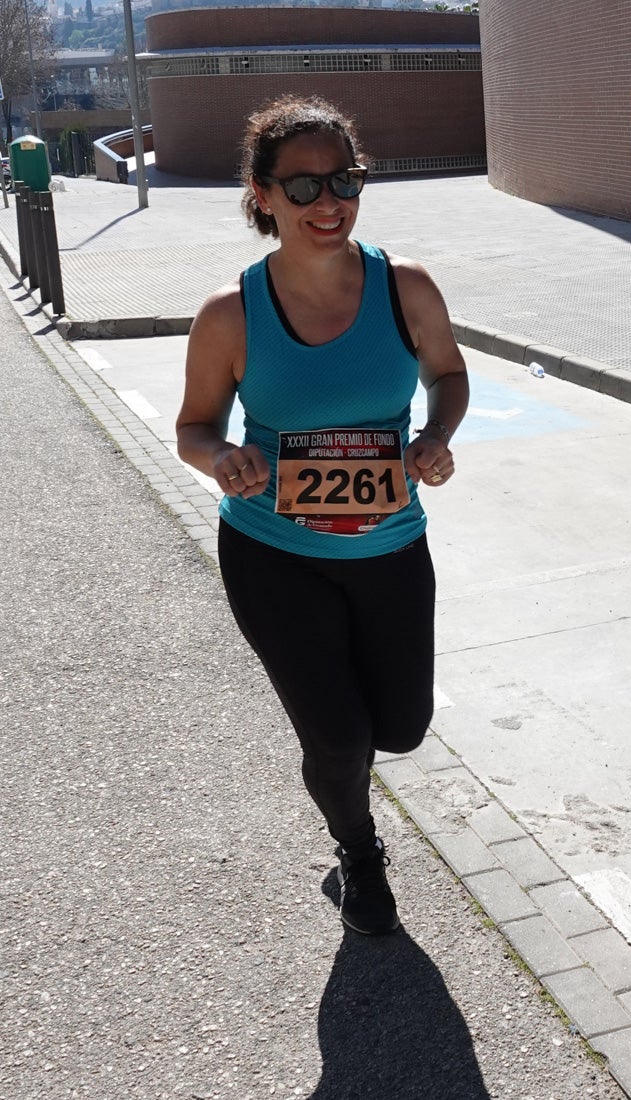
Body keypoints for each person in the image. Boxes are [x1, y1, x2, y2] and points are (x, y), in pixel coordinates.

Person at [176, 96, 469, 936]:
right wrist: (222, 460)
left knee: (404, 729)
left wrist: (435, 434)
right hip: (275, 554)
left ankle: (346, 772)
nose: (328, 202)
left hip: (389, 548)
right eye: (301, 187)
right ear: (261, 195)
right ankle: (359, 849)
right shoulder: (229, 314)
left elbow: (449, 374)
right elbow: (194, 429)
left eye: (344, 180)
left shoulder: (404, 286)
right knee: (338, 740)